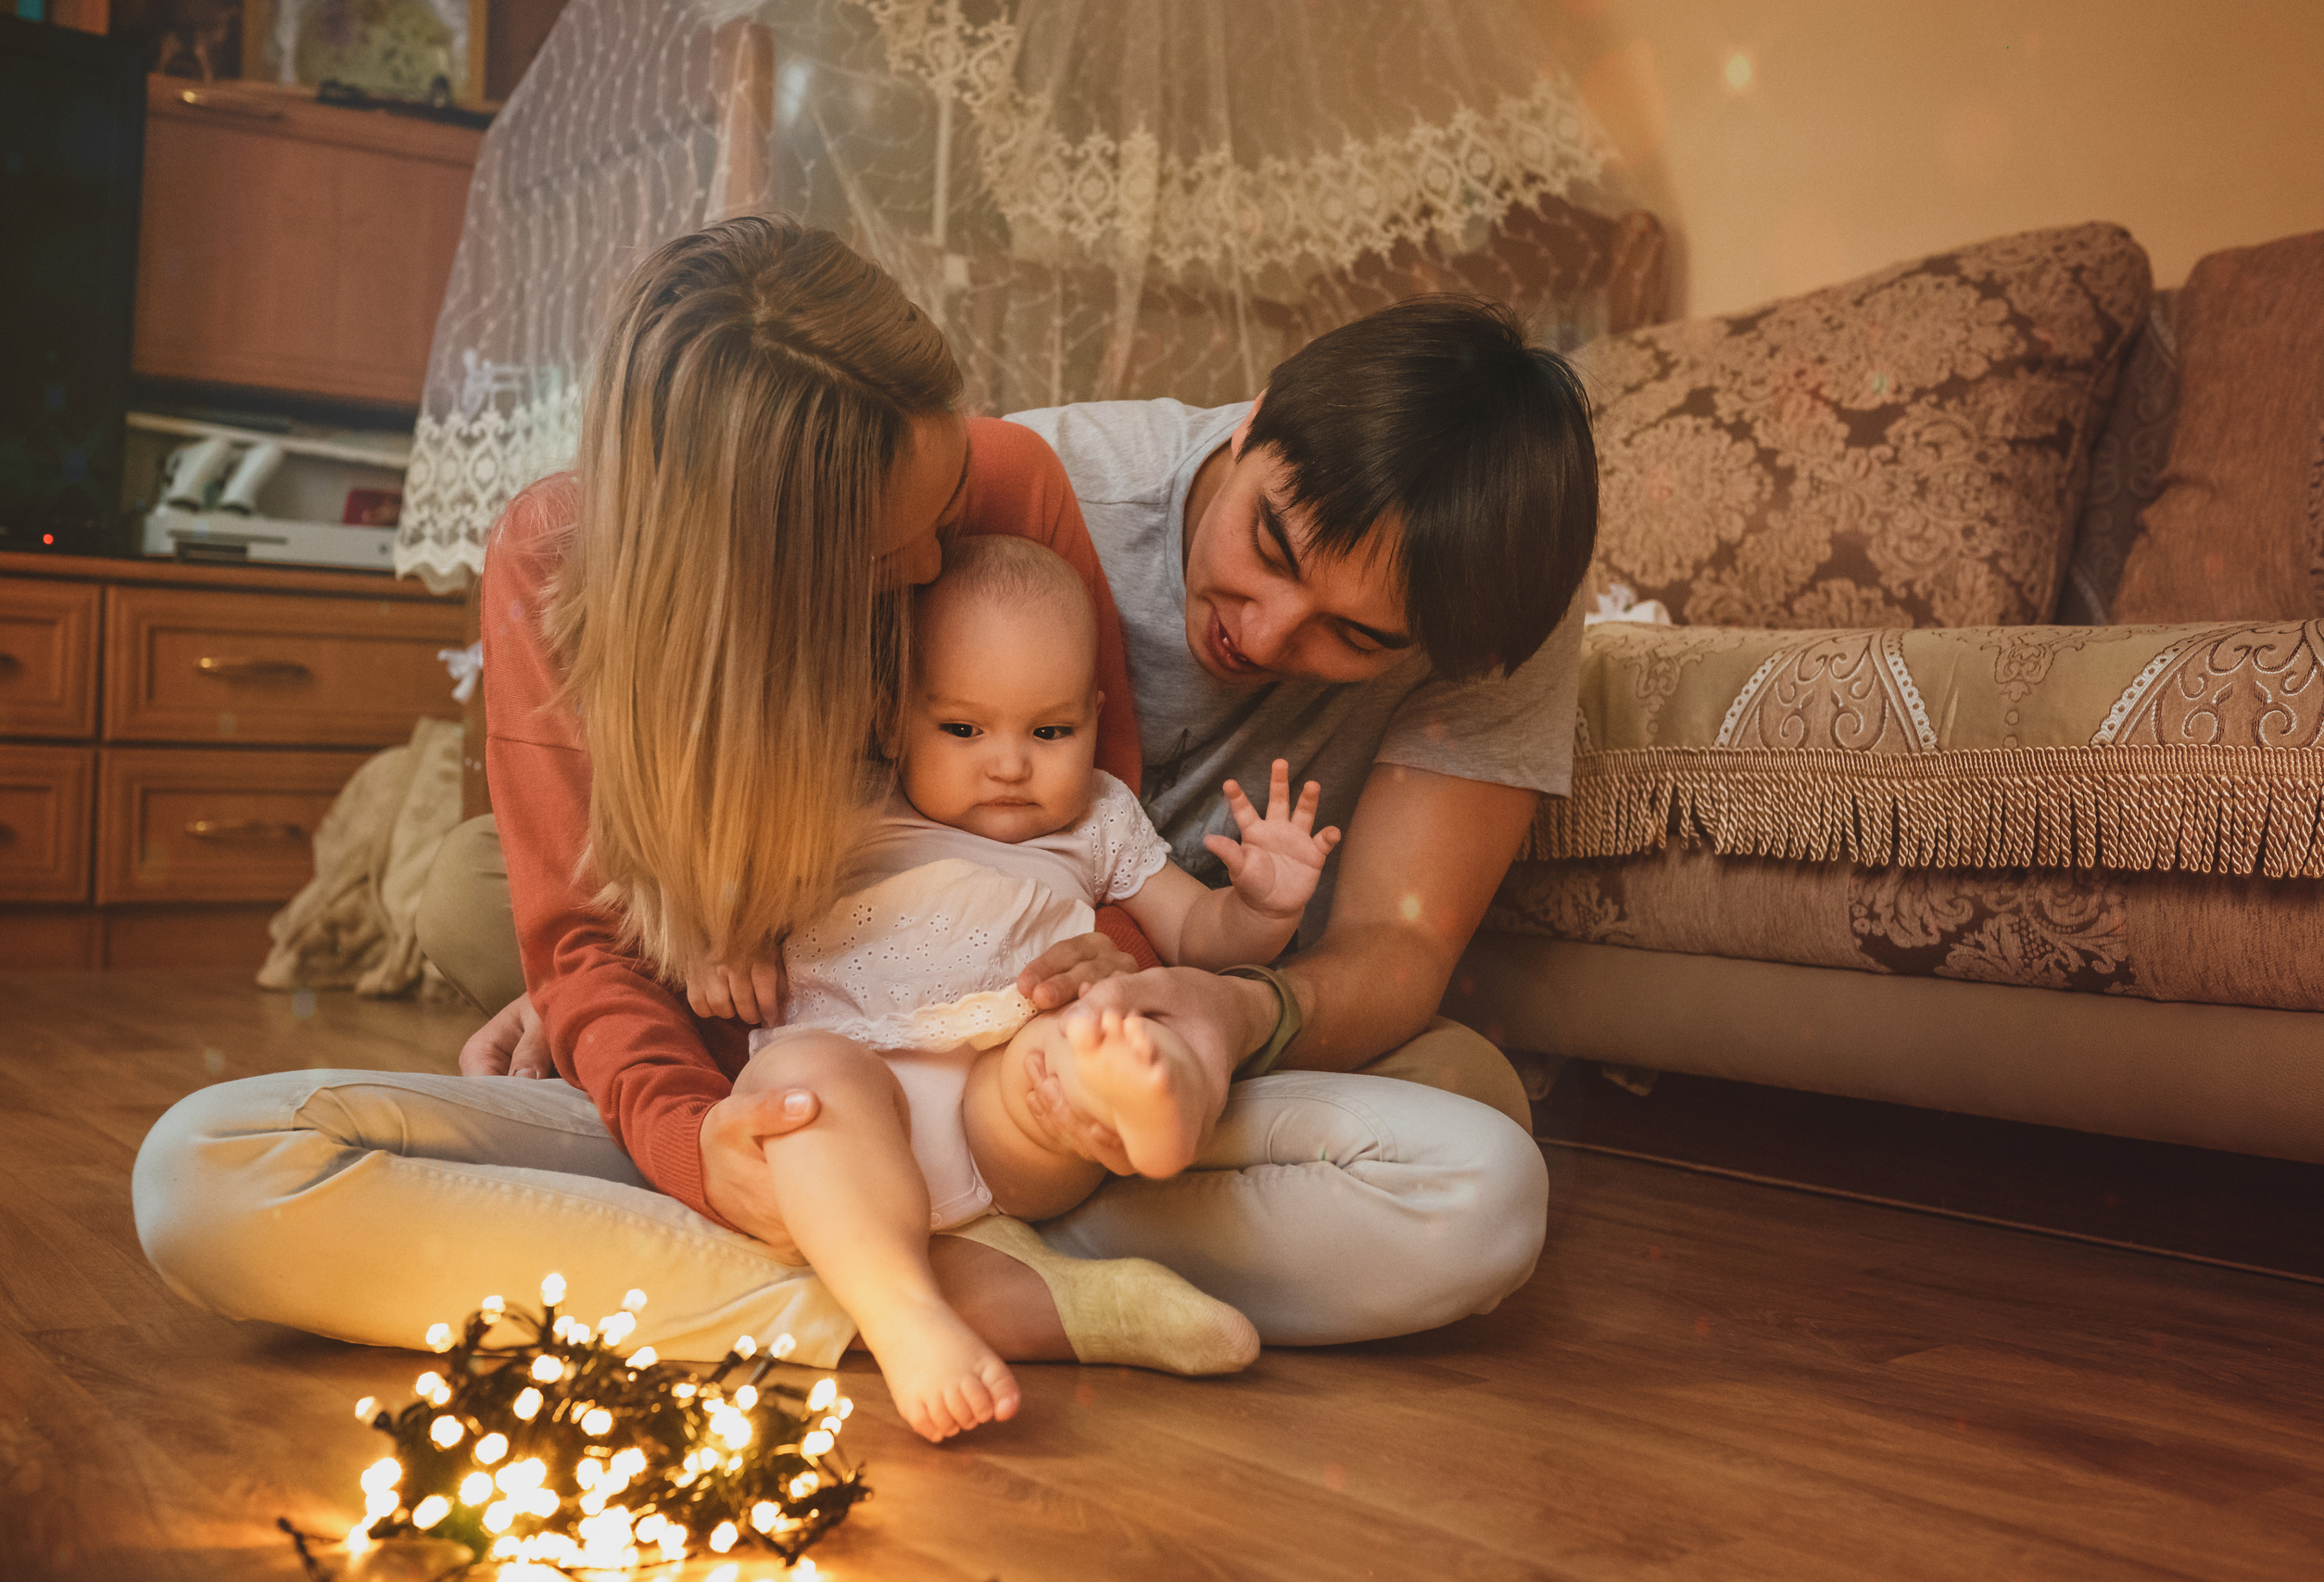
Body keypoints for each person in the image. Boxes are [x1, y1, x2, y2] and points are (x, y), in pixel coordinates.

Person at [135, 220, 1585, 1375]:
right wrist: (689, 1129)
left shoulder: (1000, 485)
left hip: (1018, 1072)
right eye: (899, 554)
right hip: (788, 1075)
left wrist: (1159, 995)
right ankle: (980, 1295)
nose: (932, 575)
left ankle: (856, 1283)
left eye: (949, 510)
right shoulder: (559, 564)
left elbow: (1091, 843)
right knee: (205, 1173)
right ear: (762, 574)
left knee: (1473, 1161)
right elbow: (591, 944)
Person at [736, 535, 1344, 1439]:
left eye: (1050, 731)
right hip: (854, 1070)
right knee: (801, 1092)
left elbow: (1196, 937)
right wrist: (711, 939)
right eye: (963, 729)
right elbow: (705, 884)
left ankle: (1147, 1097)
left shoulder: (1099, 817)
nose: (1011, 763)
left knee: (1087, 1034)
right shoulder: (838, 804)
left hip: (1006, 1102)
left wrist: (1261, 907)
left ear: (1095, 718)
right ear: (891, 716)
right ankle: (907, 1315)